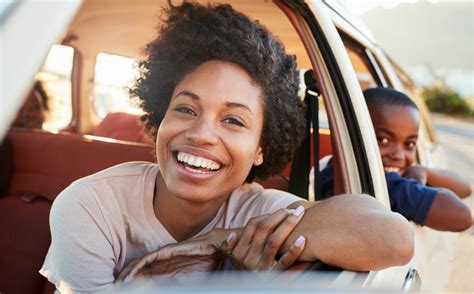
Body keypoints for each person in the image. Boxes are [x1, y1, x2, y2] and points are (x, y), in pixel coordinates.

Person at [40, 3, 413, 292]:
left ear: (261, 148)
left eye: (233, 120)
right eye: (186, 109)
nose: (202, 134)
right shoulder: (90, 206)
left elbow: (393, 238)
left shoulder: (257, 211)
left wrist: (217, 241)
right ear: (159, 117)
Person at [319, 87, 472, 232]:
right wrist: (415, 184)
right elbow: (463, 217)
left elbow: (466, 189)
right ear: (349, 134)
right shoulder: (386, 186)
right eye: (382, 140)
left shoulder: (331, 168)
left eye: (409, 144)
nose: (399, 155)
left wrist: (421, 170)